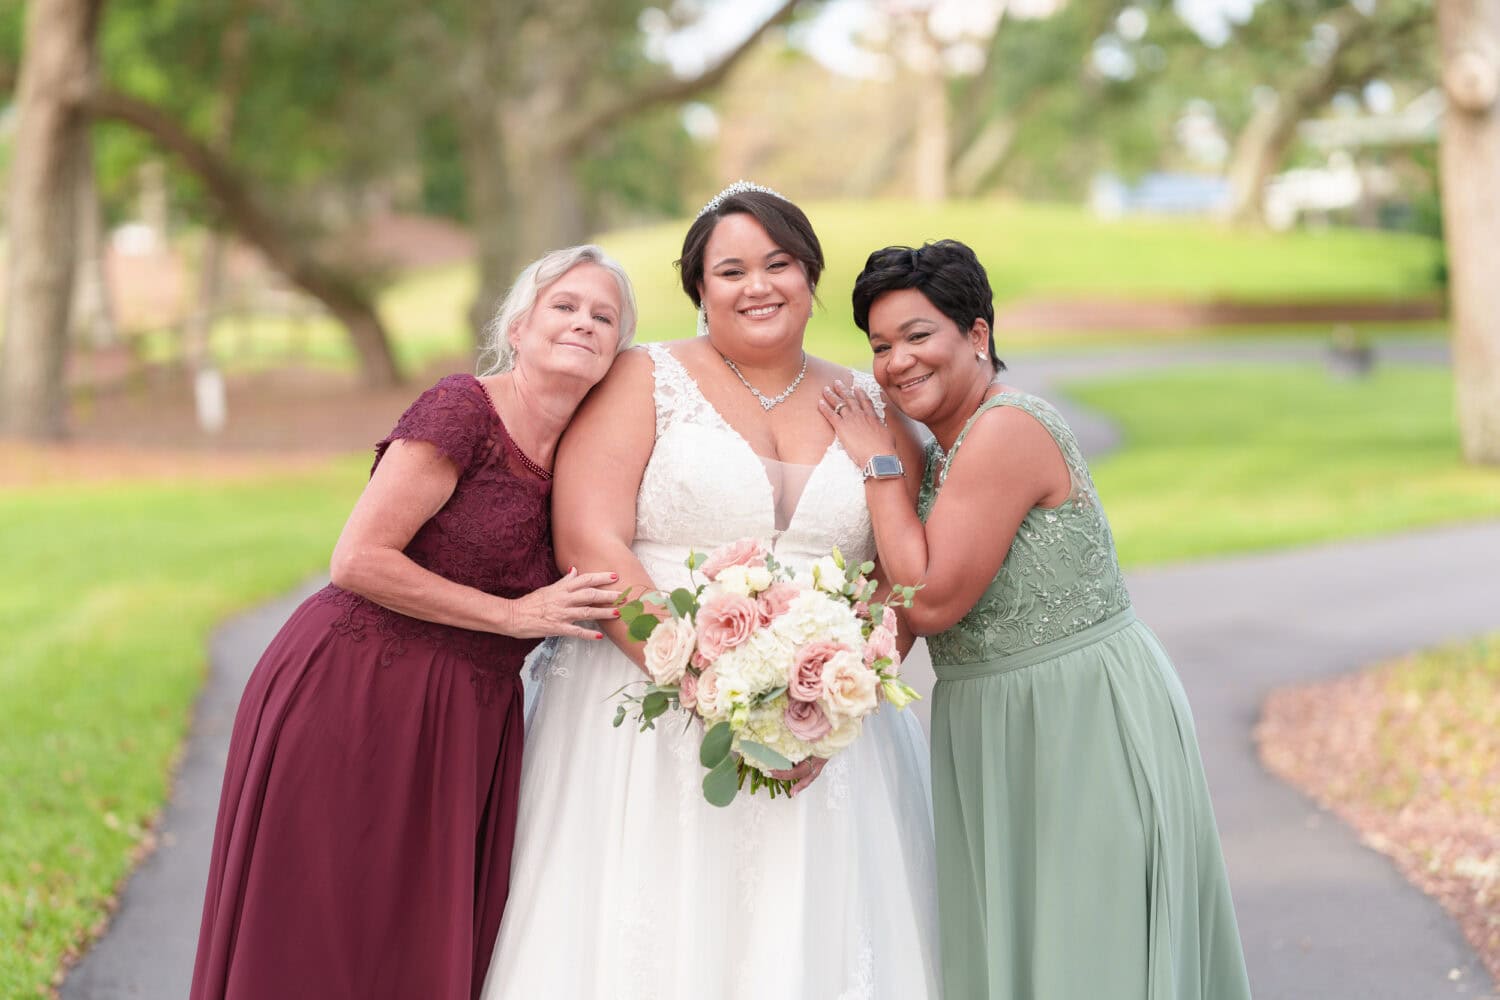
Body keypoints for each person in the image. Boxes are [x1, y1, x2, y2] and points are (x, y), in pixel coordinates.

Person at [482, 184, 940, 999]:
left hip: (825, 726)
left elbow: (899, 574)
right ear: (699, 290)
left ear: (810, 277)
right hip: (650, 707)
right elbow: (589, 539)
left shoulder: (873, 406)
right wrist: (712, 691)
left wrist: (835, 699)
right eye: (730, 270)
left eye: (779, 264)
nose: (757, 285)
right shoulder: (642, 378)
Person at [189, 245, 634, 1000]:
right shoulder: (464, 410)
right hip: (355, 689)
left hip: (471, 717)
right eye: (564, 306)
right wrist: (513, 614)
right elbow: (357, 558)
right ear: (518, 327)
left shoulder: (591, 455)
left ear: (619, 352)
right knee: (322, 931)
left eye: (604, 317)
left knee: (411, 941)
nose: (583, 324)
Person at [820, 239, 1253, 1000]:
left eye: (919, 336)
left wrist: (878, 465)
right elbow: (896, 600)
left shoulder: (1006, 430)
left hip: (1080, 719)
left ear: (978, 335)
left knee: (1090, 951)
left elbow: (931, 600)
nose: (896, 362)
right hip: (991, 723)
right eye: (880, 346)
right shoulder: (945, 449)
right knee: (1025, 951)